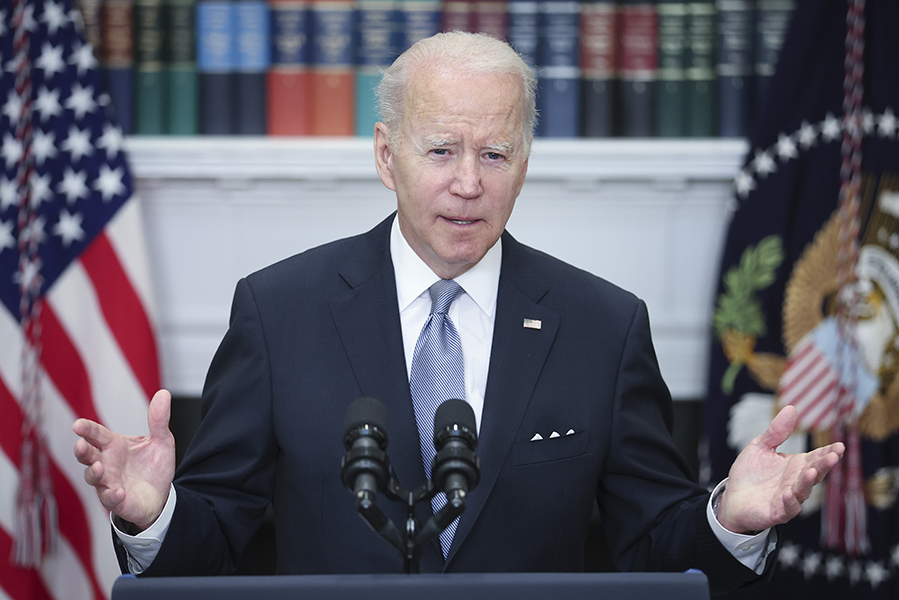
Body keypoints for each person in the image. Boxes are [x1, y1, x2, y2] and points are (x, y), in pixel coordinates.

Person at [72, 32, 843, 595]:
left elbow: (657, 549)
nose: (469, 183)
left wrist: (730, 520)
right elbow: (212, 551)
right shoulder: (279, 313)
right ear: (386, 156)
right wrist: (154, 517)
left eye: (496, 154)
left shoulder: (604, 326)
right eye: (441, 150)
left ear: (526, 162)